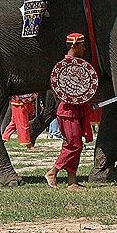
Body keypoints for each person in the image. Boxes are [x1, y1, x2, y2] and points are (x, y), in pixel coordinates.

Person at [45, 33, 95, 190]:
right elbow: (63, 90)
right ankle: (53, 172)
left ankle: (72, 181)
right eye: (82, 45)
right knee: (74, 145)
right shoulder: (65, 66)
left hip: (77, 110)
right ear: (74, 46)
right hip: (68, 111)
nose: (84, 48)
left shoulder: (78, 64)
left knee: (74, 144)